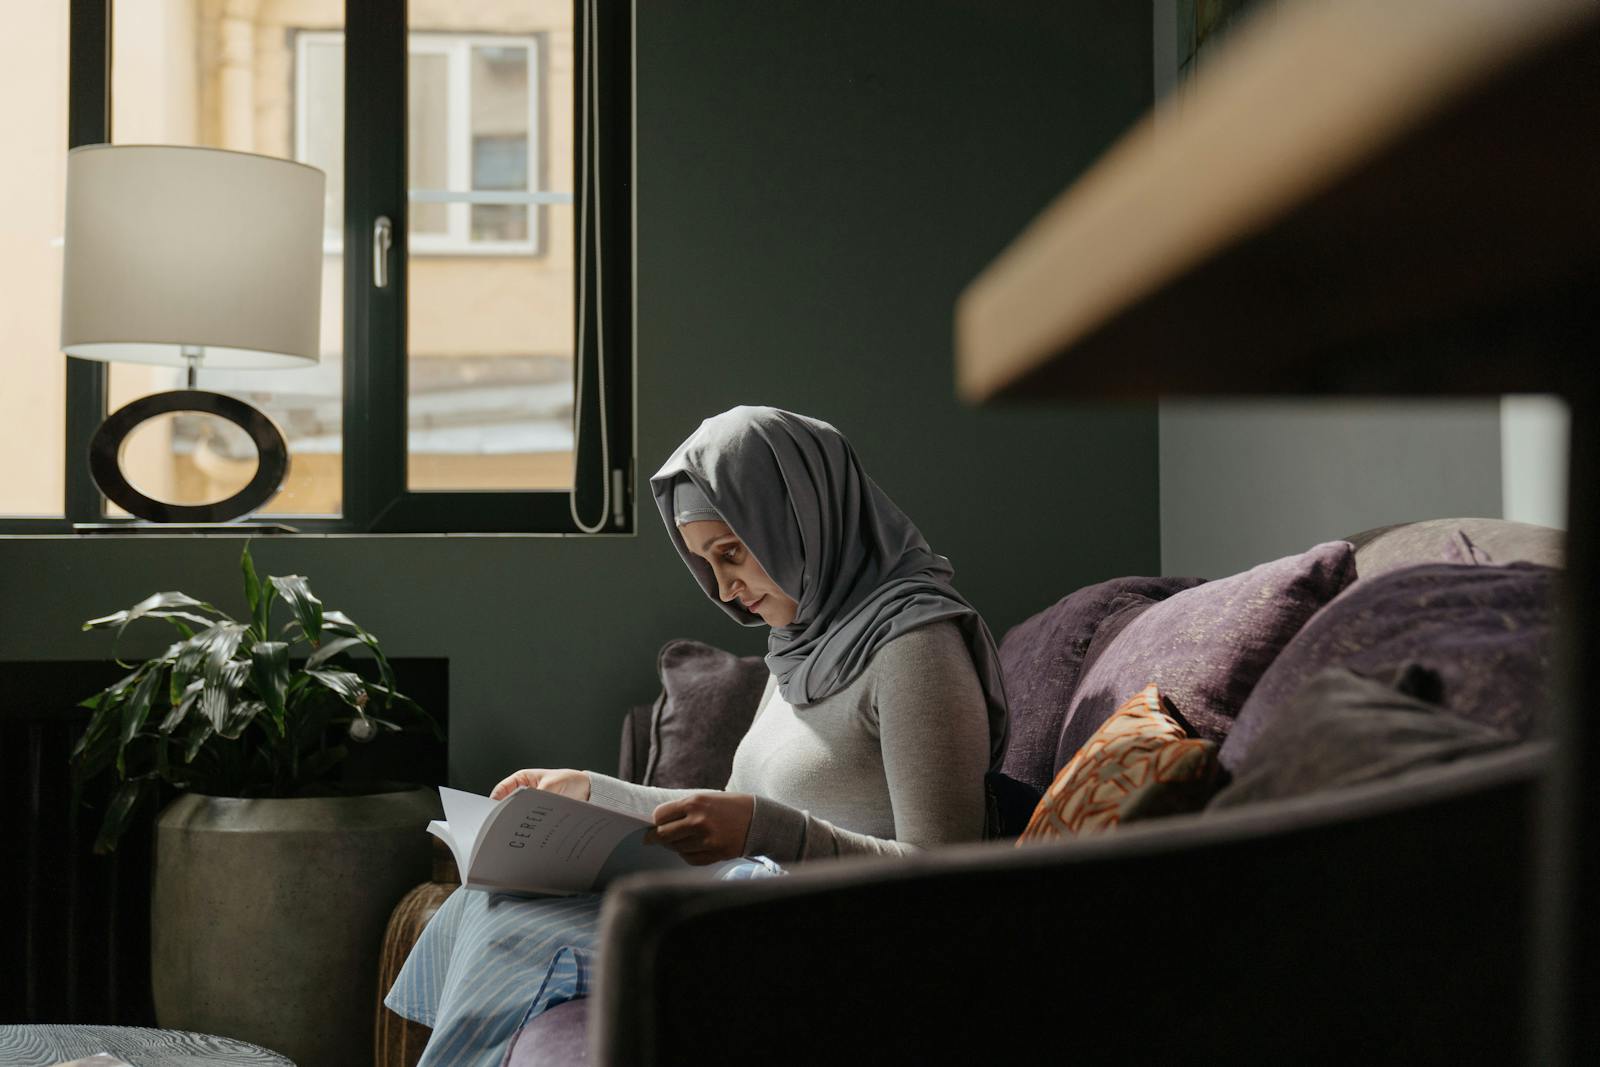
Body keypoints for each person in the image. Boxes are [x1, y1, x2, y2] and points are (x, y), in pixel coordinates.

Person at [385, 405, 1009, 1065]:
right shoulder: (802, 643)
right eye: (705, 562)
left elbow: (947, 881)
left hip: (839, 940)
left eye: (731, 552)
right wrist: (590, 791)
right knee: (494, 904)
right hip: (746, 907)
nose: (724, 588)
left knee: (514, 933)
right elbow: (728, 816)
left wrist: (766, 829)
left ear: (796, 514)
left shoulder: (916, 647)